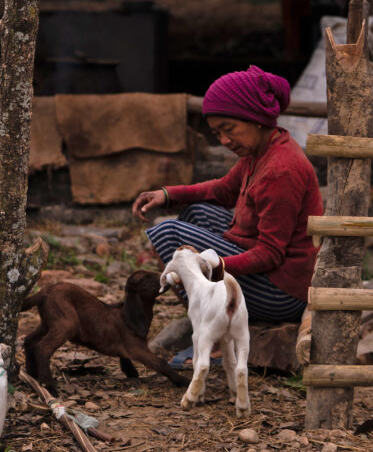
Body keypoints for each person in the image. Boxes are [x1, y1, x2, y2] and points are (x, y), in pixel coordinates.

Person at [132, 66, 323, 365]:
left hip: (283, 290)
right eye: (217, 132)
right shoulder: (262, 151)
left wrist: (212, 266)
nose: (223, 140)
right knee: (194, 212)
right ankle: (217, 324)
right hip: (269, 270)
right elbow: (223, 190)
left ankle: (218, 339)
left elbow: (270, 255)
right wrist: (168, 194)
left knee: (169, 233)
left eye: (228, 128)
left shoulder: (280, 170)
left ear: (256, 118)